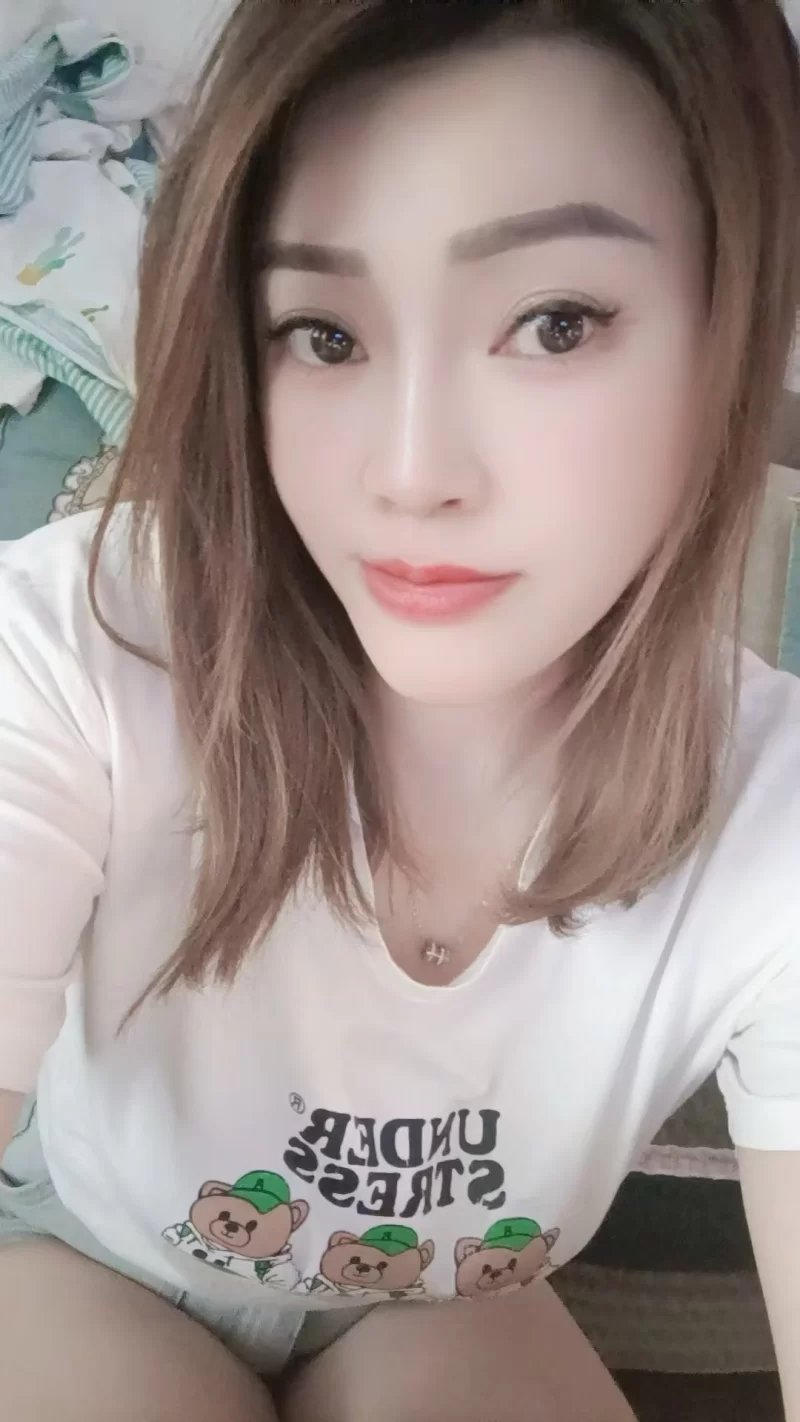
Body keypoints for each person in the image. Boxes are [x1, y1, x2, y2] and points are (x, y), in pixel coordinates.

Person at [1, 1, 799, 1418]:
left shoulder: (769, 811)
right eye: (323, 334)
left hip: (448, 1299)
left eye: (554, 323)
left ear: (733, 328)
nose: (412, 471)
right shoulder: (76, 648)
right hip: (84, 1251)